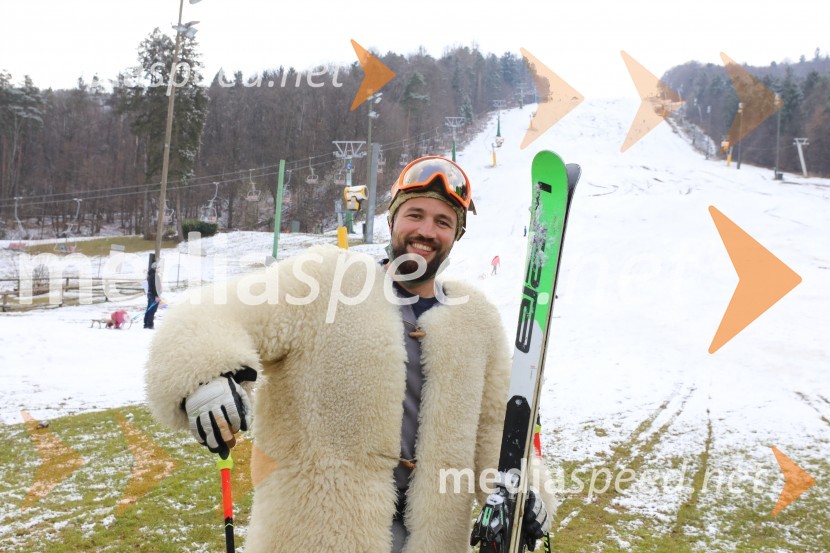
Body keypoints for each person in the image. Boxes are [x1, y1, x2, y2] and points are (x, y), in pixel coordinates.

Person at [145, 156, 555, 553]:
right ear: (392, 220)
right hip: (313, 539)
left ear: (456, 236)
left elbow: (497, 430)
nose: (426, 230)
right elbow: (214, 311)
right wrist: (204, 376)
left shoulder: (475, 319)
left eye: (443, 221)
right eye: (415, 215)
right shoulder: (326, 282)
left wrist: (527, 492)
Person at [143, 262, 160, 329]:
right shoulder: (155, 276)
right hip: (153, 295)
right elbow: (155, 287)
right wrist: (156, 296)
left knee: (149, 309)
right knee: (152, 310)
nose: (159, 269)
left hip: (150, 294)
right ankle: (149, 324)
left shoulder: (150, 275)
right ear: (155, 268)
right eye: (158, 268)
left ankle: (146, 324)